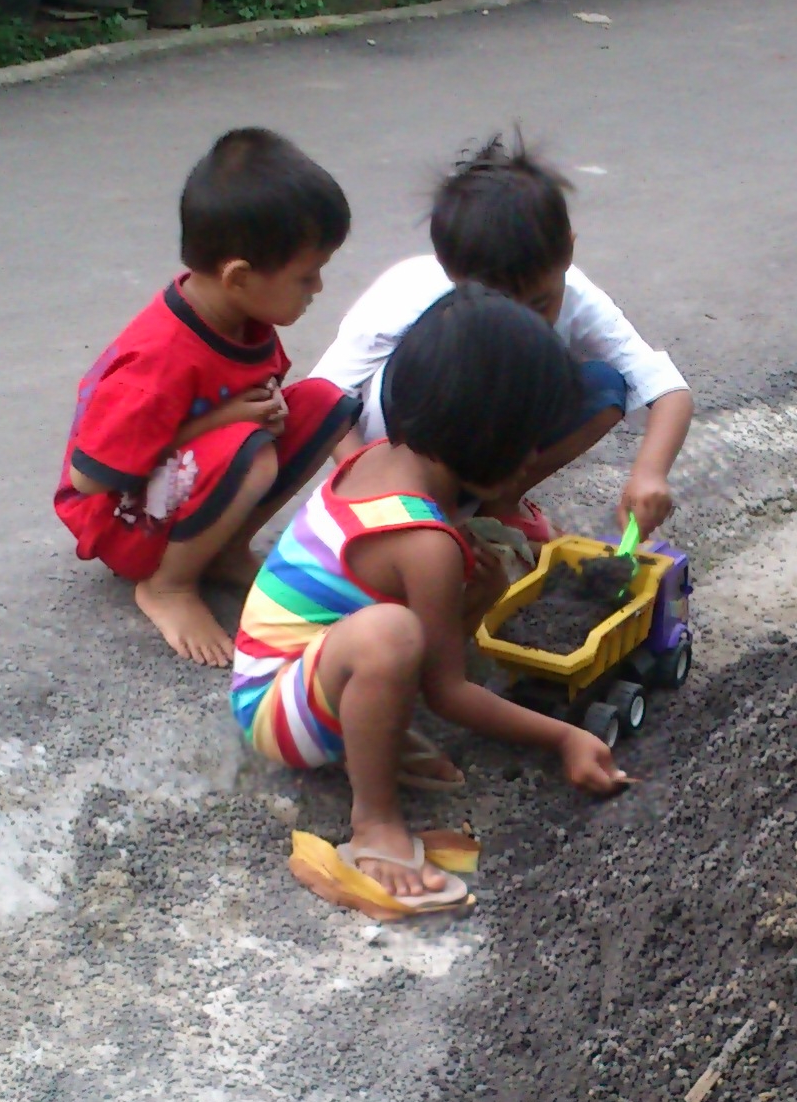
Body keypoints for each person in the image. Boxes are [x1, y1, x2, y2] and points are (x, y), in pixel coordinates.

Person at [233, 289, 634, 906]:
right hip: (275, 706)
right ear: (487, 439)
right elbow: (449, 694)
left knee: (469, 575)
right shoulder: (424, 542)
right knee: (392, 634)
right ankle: (376, 823)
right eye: (527, 442)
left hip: (304, 671)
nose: (533, 458)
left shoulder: (380, 457)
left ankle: (371, 725)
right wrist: (563, 736)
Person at [56, 127, 365, 667]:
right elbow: (89, 481)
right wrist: (217, 424)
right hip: (121, 518)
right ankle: (168, 586)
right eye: (307, 276)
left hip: (189, 484)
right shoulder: (157, 362)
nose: (316, 289)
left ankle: (219, 552)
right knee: (250, 452)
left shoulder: (242, 319)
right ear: (239, 277)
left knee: (325, 403)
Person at [308, 133, 694, 546]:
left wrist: (649, 473)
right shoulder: (410, 293)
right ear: (450, 270)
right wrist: (367, 485)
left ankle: (492, 509)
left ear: (567, 250)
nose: (521, 322)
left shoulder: (576, 293)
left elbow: (665, 388)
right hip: (402, 457)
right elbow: (322, 396)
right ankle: (430, 510)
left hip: (487, 455)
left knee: (605, 387)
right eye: (501, 304)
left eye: (540, 303)